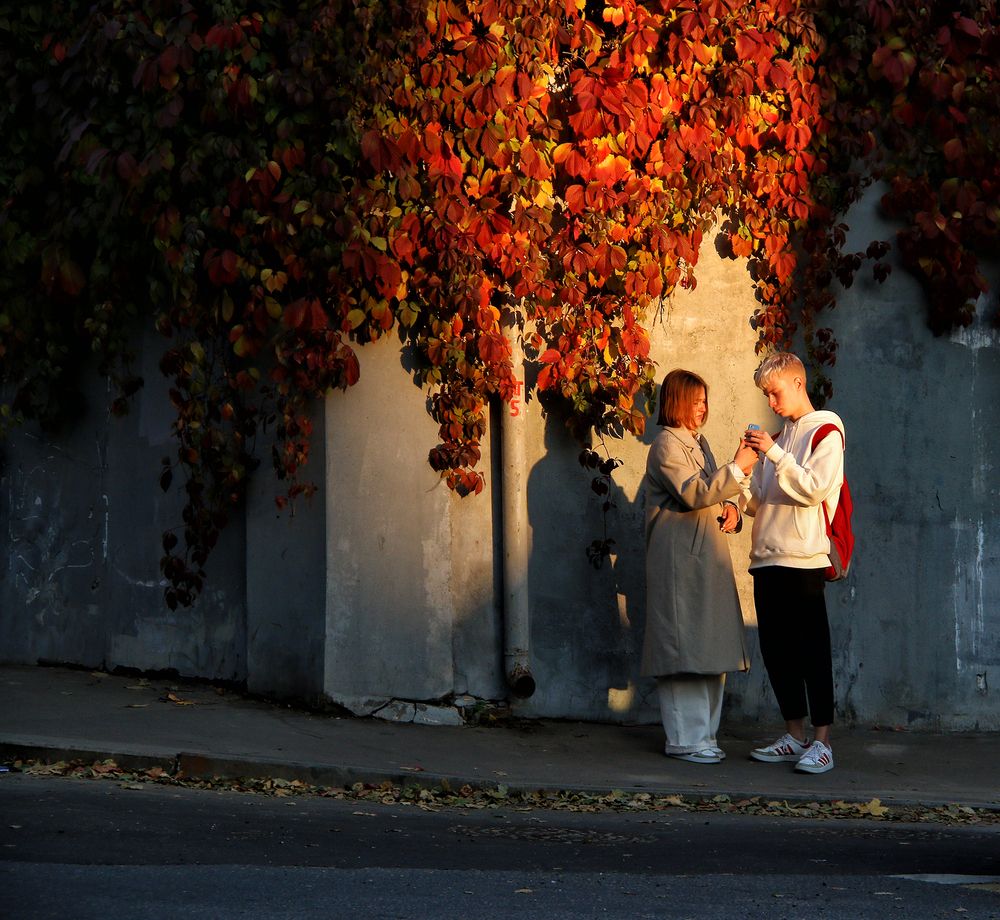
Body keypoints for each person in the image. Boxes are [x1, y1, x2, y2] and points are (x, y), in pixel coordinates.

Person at [641, 369, 759, 764]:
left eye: (705, 400)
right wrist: (739, 466)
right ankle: (686, 740)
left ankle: (705, 736)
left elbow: (709, 496)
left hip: (704, 559)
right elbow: (693, 493)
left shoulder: (698, 443)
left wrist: (730, 510)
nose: (703, 408)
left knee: (709, 648)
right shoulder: (665, 445)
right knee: (684, 651)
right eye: (696, 400)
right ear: (675, 402)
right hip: (680, 563)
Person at [742, 352, 845, 775]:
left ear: (799, 383)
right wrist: (739, 501)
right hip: (766, 557)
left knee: (812, 651)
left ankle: (822, 743)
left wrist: (774, 453)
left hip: (803, 559)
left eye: (775, 392)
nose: (770, 402)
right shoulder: (780, 437)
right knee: (777, 651)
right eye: (766, 394)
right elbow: (765, 498)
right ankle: (794, 734)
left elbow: (815, 489)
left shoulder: (827, 429)